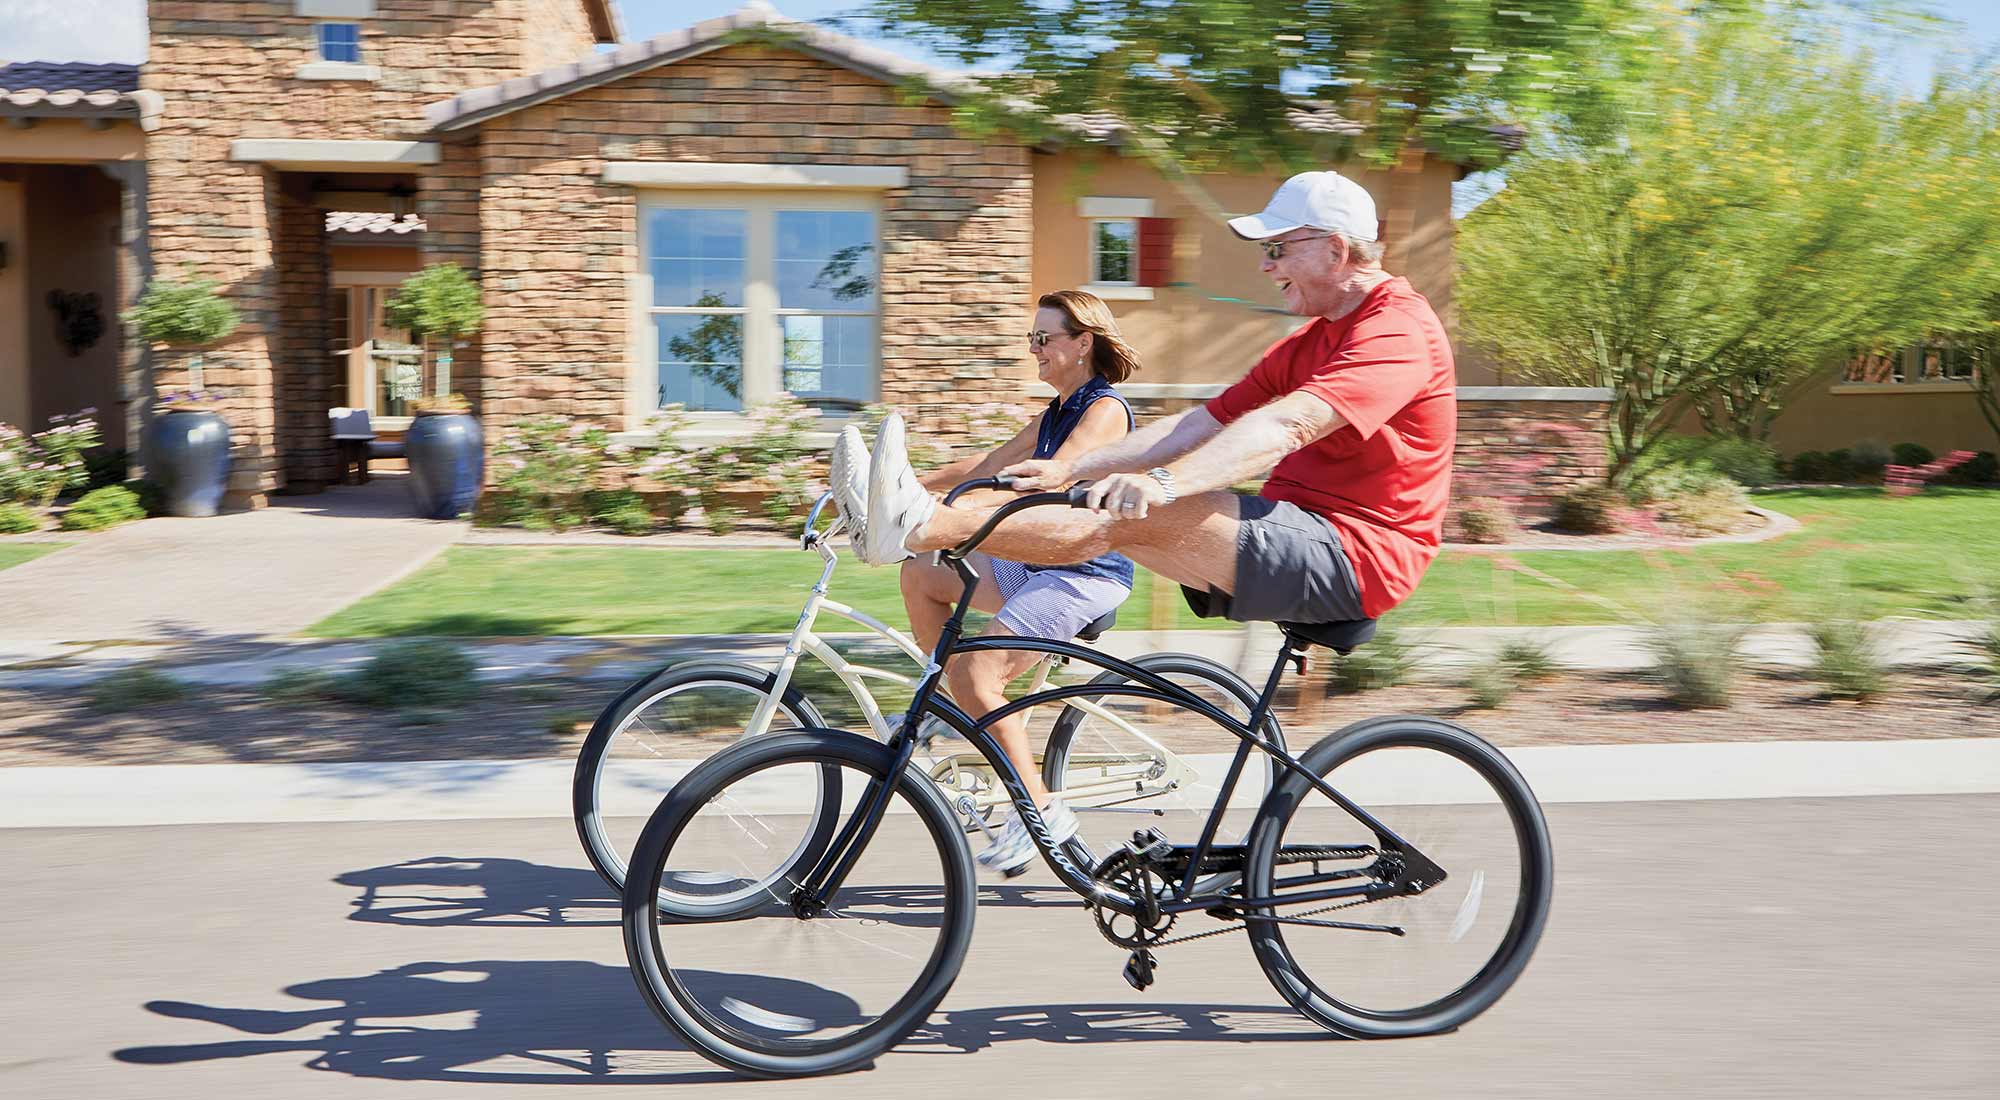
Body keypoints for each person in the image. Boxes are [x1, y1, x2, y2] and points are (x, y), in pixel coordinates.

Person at [844, 167, 1457, 677]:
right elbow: (1202, 423)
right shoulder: (1311, 341)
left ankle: (919, 524)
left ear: (1335, 249)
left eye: (1277, 249)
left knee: (1125, 515)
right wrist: (1072, 466)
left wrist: (1165, 484)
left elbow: (1287, 426)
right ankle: (920, 528)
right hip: (1297, 531)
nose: (1266, 266)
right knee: (1100, 505)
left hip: (1355, 557)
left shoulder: (1396, 331)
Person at [829, 290, 1140, 874]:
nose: (1035, 350)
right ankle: (941, 710)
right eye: (1032, 339)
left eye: (1043, 339)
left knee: (980, 673)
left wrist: (947, 509)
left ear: (1083, 344)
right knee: (921, 572)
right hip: (1033, 559)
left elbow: (1049, 480)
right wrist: (895, 487)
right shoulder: (1053, 412)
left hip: (1081, 571)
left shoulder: (1105, 411)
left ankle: (1042, 811)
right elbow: (984, 466)